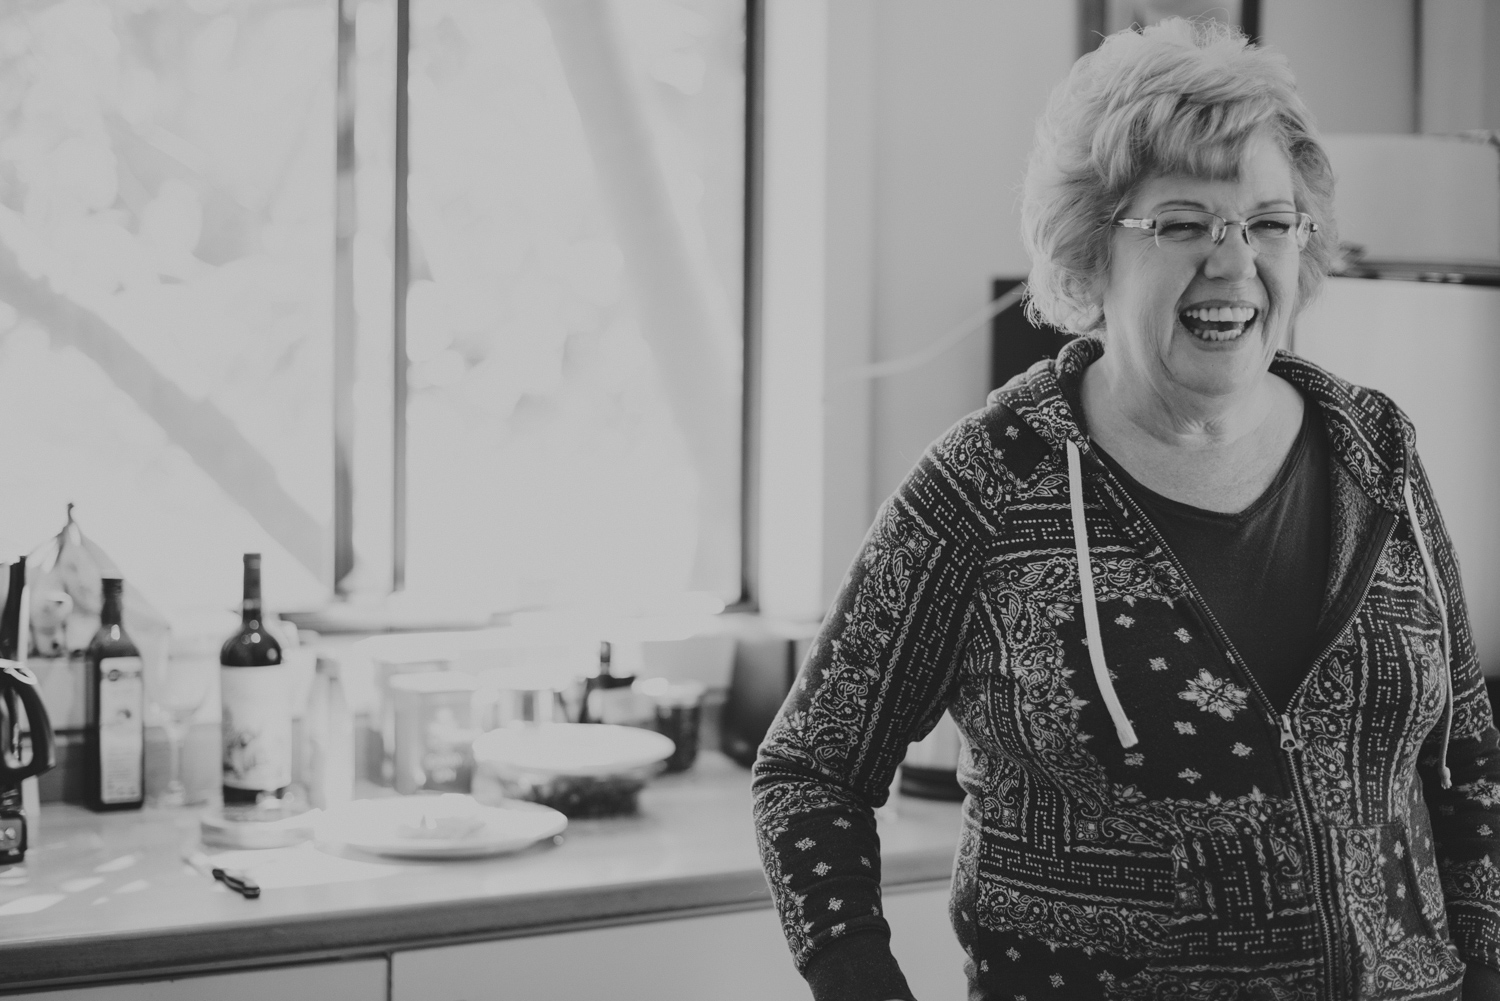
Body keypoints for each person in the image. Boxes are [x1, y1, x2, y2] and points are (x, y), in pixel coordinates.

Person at [752, 17, 1500, 1001]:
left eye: (1268, 222)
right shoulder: (985, 485)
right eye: (1184, 223)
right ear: (1092, 250)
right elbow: (810, 769)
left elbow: (1466, 754)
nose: (1234, 266)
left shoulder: (1377, 449)